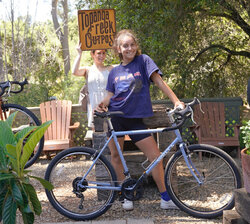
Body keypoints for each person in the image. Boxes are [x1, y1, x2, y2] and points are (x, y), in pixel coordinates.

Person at [97, 29, 184, 211]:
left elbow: (159, 82)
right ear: (118, 49)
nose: (129, 48)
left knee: (155, 157)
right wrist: (103, 103)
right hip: (115, 118)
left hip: (136, 120)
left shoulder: (143, 61)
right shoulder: (114, 72)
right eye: (125, 45)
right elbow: (110, 95)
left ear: (136, 46)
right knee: (115, 156)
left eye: (132, 44)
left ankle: (165, 198)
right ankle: (124, 195)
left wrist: (176, 101)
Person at [72, 43, 114, 128]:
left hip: (107, 105)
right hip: (93, 105)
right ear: (92, 54)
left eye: (103, 53)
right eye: (99, 53)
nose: (101, 55)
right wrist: (79, 54)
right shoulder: (88, 70)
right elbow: (74, 71)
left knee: (109, 132)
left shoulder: (110, 69)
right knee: (97, 134)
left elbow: (124, 66)